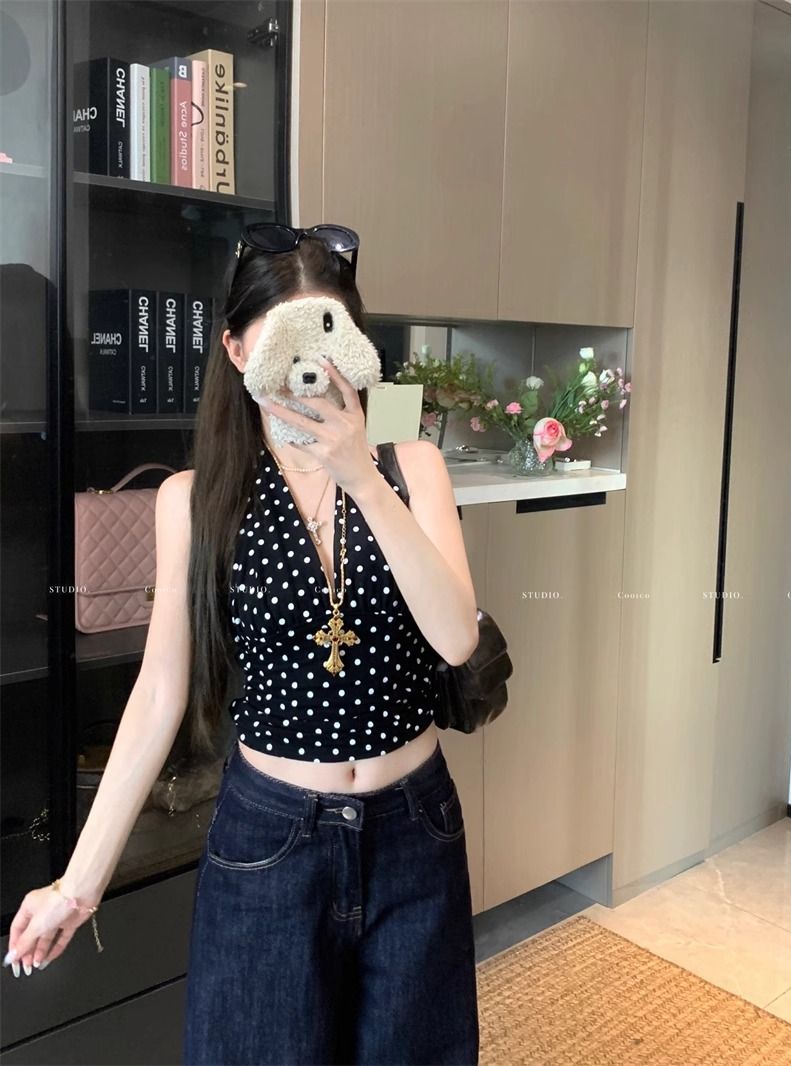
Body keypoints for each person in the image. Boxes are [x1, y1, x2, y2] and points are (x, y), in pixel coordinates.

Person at [4, 226, 481, 1066]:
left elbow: (454, 639)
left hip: (415, 831)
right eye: (281, 346)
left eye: (327, 338)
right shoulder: (196, 499)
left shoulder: (413, 468)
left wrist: (362, 476)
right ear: (234, 351)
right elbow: (160, 694)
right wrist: (77, 886)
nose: (308, 372)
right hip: (271, 840)